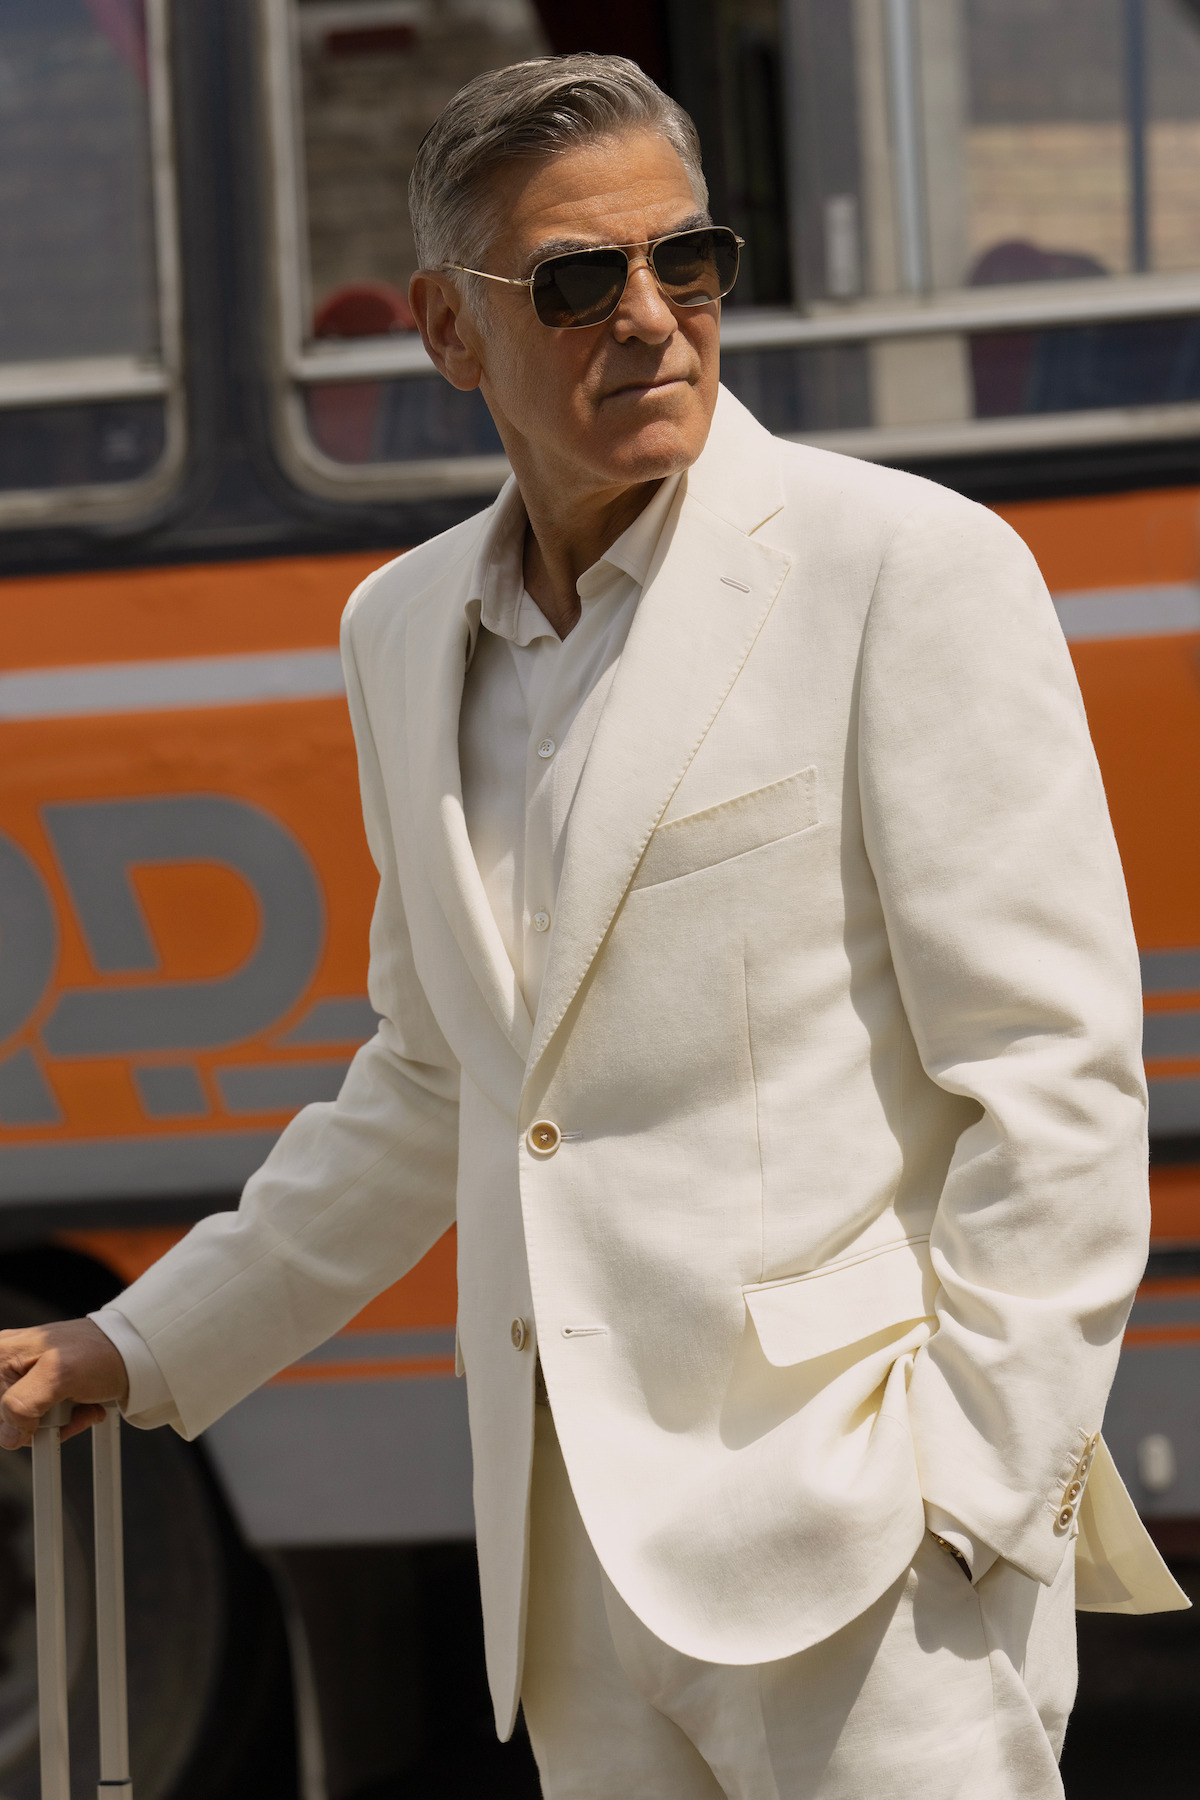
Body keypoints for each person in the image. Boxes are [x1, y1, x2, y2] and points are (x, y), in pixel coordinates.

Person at [0, 54, 1187, 1799]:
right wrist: (144, 1343)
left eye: (684, 262)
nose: (649, 319)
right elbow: (430, 1084)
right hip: (572, 1583)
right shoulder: (398, 636)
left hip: (868, 1559)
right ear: (449, 331)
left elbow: (1056, 1078)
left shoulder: (907, 571)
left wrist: (975, 1500)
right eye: (574, 281)